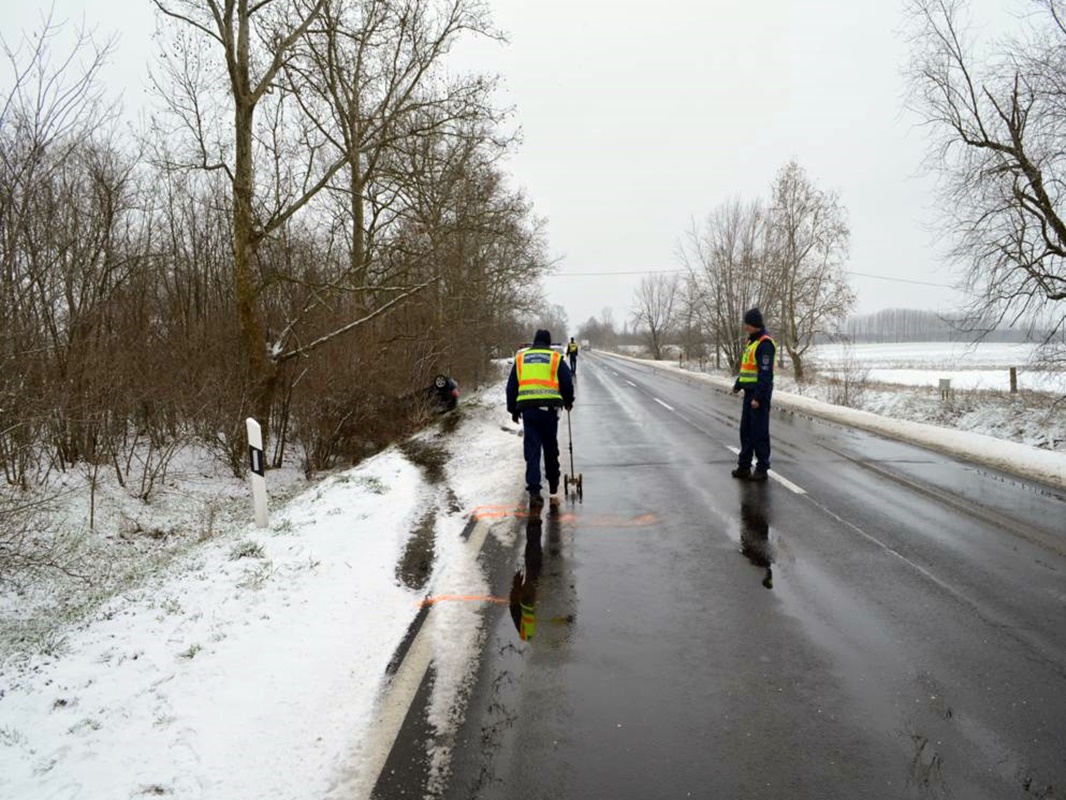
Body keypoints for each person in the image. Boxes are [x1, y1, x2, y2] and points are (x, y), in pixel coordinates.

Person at [507, 329, 575, 506]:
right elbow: (567, 381)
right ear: (549, 342)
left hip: (528, 411)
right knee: (550, 447)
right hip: (549, 411)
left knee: (532, 450)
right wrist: (568, 401)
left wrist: (513, 410)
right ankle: (553, 484)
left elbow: (511, 386)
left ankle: (534, 491)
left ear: (535, 341)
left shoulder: (521, 358)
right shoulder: (555, 358)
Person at [731, 308, 775, 481]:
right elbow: (747, 369)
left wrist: (758, 397)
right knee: (746, 431)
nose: (745, 327)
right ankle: (744, 467)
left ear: (755, 324)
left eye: (747, 324)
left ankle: (762, 468)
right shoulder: (752, 342)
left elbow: (765, 375)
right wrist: (738, 384)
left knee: (759, 433)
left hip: (759, 395)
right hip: (749, 392)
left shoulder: (765, 344)